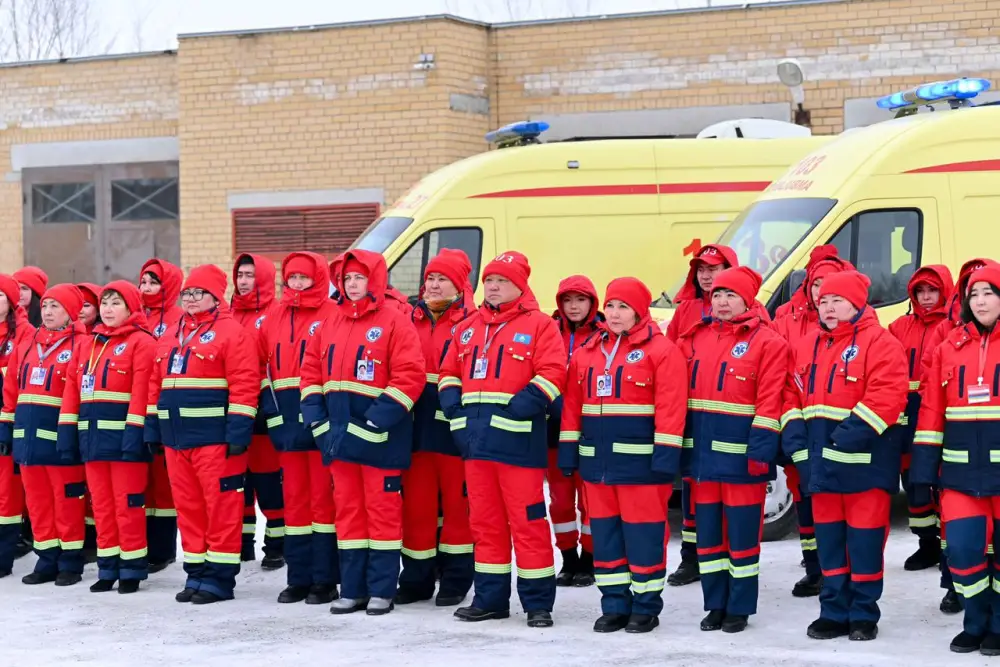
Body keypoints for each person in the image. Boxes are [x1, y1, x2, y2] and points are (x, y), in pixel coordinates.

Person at [438, 251, 565, 628]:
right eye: (489, 280)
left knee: (528, 526)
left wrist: (512, 413)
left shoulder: (541, 325)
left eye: (502, 281)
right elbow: (448, 372)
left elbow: (553, 373)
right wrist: (453, 411)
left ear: (519, 286)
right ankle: (491, 599)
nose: (492, 286)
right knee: (485, 525)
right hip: (475, 447)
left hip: (518, 447)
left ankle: (538, 604)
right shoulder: (466, 327)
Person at [782, 270, 907, 642]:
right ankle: (833, 612)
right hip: (821, 469)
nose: (830, 308)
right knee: (830, 543)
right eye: (823, 301)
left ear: (857, 304)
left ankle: (863, 614)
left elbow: (886, 398)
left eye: (838, 301)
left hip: (864, 469)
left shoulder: (881, 344)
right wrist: (796, 442)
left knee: (864, 545)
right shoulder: (807, 344)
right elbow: (791, 396)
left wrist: (838, 444)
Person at [558, 277, 686, 633]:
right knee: (606, 536)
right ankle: (614, 604)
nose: (614, 314)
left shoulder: (661, 352)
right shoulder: (587, 351)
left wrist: (665, 458)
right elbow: (572, 406)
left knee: (644, 539)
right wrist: (569, 452)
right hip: (597, 468)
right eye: (611, 306)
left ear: (639, 312)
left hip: (641, 468)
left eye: (623, 307)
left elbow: (671, 407)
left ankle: (645, 606)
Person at [301, 249, 424, 616]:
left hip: (378, 441)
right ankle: (352, 589)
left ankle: (381, 590)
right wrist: (317, 420)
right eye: (348, 279)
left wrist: (373, 421)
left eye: (360, 278)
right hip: (338, 440)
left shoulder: (395, 321)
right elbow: (310, 374)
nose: (353, 285)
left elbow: (410, 376)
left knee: (382, 515)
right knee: (349, 514)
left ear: (375, 281)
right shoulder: (329, 322)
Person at [679, 266, 789, 633]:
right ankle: (715, 605)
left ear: (748, 300)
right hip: (702, 460)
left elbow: (771, 401)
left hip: (743, 460)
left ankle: (739, 607)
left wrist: (761, 454)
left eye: (732, 295)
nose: (722, 302)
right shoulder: (694, 338)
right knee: (708, 539)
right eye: (718, 295)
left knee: (741, 540)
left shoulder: (769, 342)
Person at [144, 265, 259, 604]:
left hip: (215, 440)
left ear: (215, 297)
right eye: (188, 294)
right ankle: (195, 574)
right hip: (176, 440)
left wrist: (238, 431)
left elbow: (245, 384)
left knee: (220, 509)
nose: (192, 300)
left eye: (199, 294)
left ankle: (220, 579)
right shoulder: (171, 334)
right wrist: (152, 426)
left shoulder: (232, 332)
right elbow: (156, 383)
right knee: (189, 509)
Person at [912, 263, 1000, 656]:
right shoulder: (948, 347)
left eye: (989, 292)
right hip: (960, 475)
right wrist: (923, 469)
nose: (980, 301)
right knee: (962, 554)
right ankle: (975, 621)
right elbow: (931, 412)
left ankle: (997, 626)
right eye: (974, 294)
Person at [57, 281, 155, 593]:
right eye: (105, 303)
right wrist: (67, 435)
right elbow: (72, 391)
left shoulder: (142, 342)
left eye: (116, 303)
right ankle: (108, 567)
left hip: (126, 443)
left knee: (127, 506)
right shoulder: (89, 343)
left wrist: (134, 436)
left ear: (130, 308)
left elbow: (142, 392)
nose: (108, 310)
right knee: (101, 506)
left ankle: (131, 569)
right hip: (92, 441)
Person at [260, 252, 340, 606]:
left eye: (303, 278)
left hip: (319, 420)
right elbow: (261, 370)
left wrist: (325, 419)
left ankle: (324, 580)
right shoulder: (273, 316)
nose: (296, 284)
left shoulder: (332, 314)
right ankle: (298, 578)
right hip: (286, 425)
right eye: (291, 277)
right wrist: (274, 419)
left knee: (324, 505)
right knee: (295, 505)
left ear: (318, 279)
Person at [774, 245, 854, 598]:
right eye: (816, 282)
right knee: (805, 496)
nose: (821, 290)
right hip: (799, 423)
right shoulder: (785, 317)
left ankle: (842, 568)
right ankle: (814, 567)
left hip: (835, 429)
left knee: (837, 500)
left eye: (829, 283)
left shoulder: (847, 319)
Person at [397, 249, 477, 606]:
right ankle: (416, 580)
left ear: (459, 286)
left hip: (453, 431)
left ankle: (456, 580)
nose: (432, 285)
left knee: (459, 512)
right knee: (417, 510)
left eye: (442, 279)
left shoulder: (472, 324)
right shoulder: (407, 319)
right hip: (414, 431)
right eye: (430, 278)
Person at [0, 284, 87, 586]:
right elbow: (11, 387)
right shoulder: (28, 343)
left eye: (56, 307)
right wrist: (6, 427)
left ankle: (70, 562)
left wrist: (72, 434)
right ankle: (46, 558)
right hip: (27, 437)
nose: (48, 312)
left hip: (61, 438)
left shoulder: (81, 344)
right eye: (46, 306)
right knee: (37, 503)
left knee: (66, 502)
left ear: (71, 312)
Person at [666, 243, 737, 587]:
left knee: (727, 492)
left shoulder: (746, 308)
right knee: (693, 488)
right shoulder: (685, 310)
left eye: (714, 268)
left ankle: (728, 557)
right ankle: (692, 558)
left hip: (727, 417)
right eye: (701, 270)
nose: (706, 275)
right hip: (691, 411)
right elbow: (667, 357)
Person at [888, 266, 954, 573]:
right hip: (904, 412)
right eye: (920, 292)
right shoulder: (898, 326)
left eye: (933, 291)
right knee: (912, 483)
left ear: (946, 292)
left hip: (935, 409)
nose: (926, 298)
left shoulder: (954, 326)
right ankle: (926, 542)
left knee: (939, 483)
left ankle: (948, 547)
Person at [230, 253, 285, 570]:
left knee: (268, 483)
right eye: (240, 274)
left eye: (250, 275)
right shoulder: (227, 315)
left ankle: (276, 546)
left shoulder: (275, 313)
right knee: (239, 483)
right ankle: (243, 544)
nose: (244, 281)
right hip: (235, 410)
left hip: (265, 410)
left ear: (263, 278)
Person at [548, 275, 601, 587]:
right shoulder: (549, 332)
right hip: (553, 430)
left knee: (591, 499)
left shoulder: (604, 334)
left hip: (591, 429)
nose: (573, 307)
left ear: (592, 302)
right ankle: (568, 558)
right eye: (567, 300)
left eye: (580, 300)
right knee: (560, 500)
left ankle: (590, 560)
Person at [138, 258, 183, 574]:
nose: (147, 289)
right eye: (143, 283)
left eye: (153, 283)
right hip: (134, 406)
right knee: (143, 484)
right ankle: (140, 544)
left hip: (164, 407)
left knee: (164, 485)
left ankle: (163, 549)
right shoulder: (136, 317)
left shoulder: (180, 319)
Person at [0, 275, 35, 577]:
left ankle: (3, 556)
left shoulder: (25, 333)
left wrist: (8, 423)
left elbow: (16, 384)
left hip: (7, 421)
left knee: (7, 493)